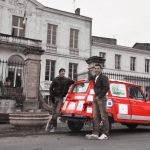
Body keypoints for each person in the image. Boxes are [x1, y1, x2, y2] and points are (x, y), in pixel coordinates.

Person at [86, 63, 110, 140]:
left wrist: (99, 96)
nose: (96, 69)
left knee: (103, 116)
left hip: (101, 98)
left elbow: (106, 88)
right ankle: (95, 133)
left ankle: (105, 134)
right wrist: (90, 73)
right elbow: (90, 78)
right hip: (96, 98)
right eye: (95, 68)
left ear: (101, 69)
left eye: (98, 68)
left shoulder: (104, 77)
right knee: (95, 116)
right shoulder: (95, 77)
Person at [48, 68, 74, 132]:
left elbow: (73, 82)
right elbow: (51, 88)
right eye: (62, 72)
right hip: (54, 97)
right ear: (59, 72)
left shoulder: (67, 80)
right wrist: (52, 97)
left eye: (64, 72)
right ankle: (54, 126)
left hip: (60, 98)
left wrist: (81, 82)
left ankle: (51, 123)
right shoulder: (55, 79)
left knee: (57, 112)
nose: (63, 73)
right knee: (53, 112)